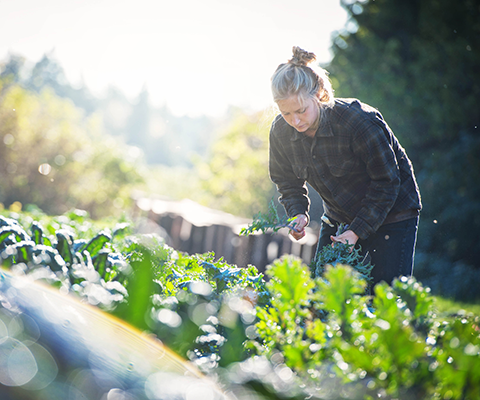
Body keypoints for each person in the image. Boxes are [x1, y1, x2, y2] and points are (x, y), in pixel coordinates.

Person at [268, 46, 422, 286]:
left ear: (319, 95)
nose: (295, 121)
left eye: (301, 111)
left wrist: (356, 231)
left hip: (393, 213)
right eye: (286, 113)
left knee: (384, 297)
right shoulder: (280, 131)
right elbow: (286, 179)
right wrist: (298, 212)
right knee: (326, 295)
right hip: (339, 217)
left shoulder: (359, 122)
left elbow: (387, 182)